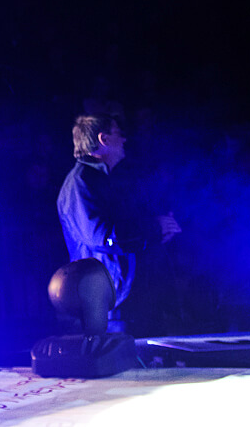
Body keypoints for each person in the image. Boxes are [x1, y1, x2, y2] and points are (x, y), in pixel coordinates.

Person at [56, 114, 182, 324]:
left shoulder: (104, 180)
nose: (124, 139)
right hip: (105, 301)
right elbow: (102, 237)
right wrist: (153, 229)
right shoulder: (80, 184)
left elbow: (127, 231)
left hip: (123, 294)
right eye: (118, 133)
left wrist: (158, 234)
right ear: (103, 139)